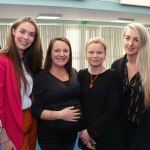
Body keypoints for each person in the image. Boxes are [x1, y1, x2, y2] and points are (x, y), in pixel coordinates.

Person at [31, 37, 82, 150]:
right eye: (57, 50)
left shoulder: (73, 72)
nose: (62, 54)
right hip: (51, 138)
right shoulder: (40, 76)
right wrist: (59, 115)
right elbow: (35, 110)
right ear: (50, 53)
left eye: (65, 50)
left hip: (71, 136)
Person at [0, 16, 43, 150]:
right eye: (22, 31)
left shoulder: (25, 61)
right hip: (13, 121)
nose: (26, 37)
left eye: (31, 35)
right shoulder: (2, 60)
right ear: (13, 31)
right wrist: (4, 135)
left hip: (30, 117)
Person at [78, 37, 124, 150]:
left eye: (99, 52)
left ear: (105, 55)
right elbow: (79, 104)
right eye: (91, 52)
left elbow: (113, 109)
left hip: (108, 134)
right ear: (85, 54)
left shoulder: (114, 76)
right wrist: (84, 132)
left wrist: (90, 132)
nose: (95, 55)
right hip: (85, 134)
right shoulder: (81, 74)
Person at [111, 23, 150, 150]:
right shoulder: (116, 65)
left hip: (143, 129)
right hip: (119, 128)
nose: (130, 43)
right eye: (127, 38)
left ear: (143, 42)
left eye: (136, 40)